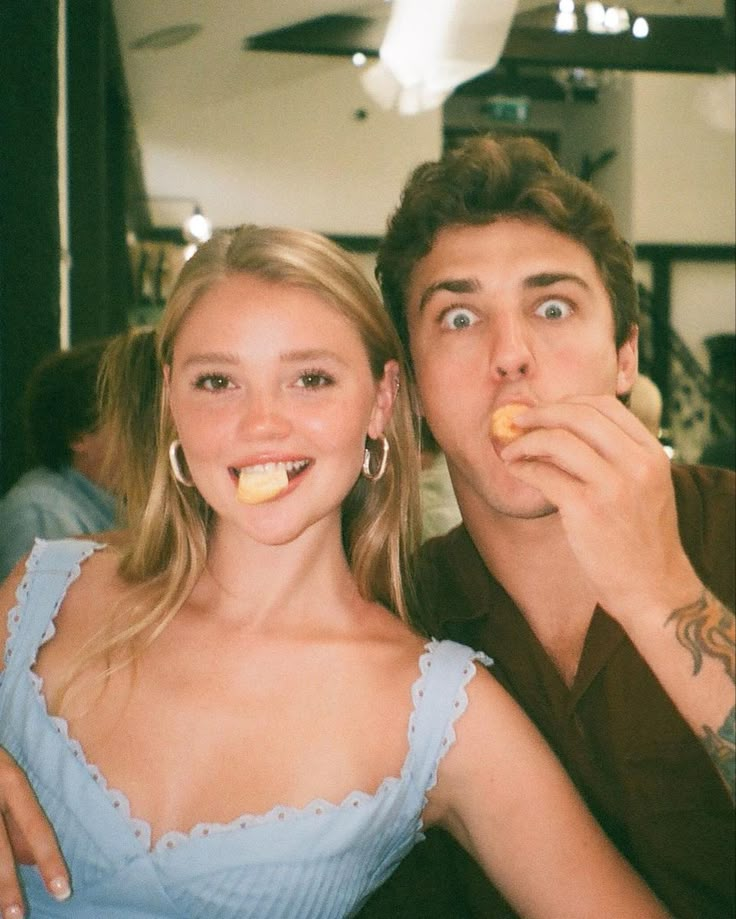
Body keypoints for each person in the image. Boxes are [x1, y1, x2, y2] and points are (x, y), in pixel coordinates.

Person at [0, 225, 671, 919]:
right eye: (218, 381)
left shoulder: (444, 713)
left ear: (381, 402)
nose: (262, 423)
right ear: (172, 398)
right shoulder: (46, 589)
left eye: (311, 379)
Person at [358, 135, 735, 919]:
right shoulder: (391, 614)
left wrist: (659, 590)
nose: (511, 355)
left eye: (552, 307)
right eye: (459, 317)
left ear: (625, 355)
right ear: (413, 388)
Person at [0, 340, 117, 580]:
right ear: (78, 436)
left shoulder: (119, 500)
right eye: (130, 417)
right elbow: (39, 614)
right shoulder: (40, 514)